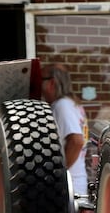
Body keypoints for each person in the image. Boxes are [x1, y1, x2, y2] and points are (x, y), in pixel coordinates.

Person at [41, 63, 88, 195]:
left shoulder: (62, 106)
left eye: (41, 79)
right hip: (76, 185)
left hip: (68, 189)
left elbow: (76, 141)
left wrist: (57, 176)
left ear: (51, 83)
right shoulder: (72, 104)